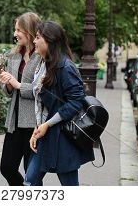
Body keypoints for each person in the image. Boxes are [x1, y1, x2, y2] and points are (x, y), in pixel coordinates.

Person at [24, 21, 94, 186]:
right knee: (30, 181)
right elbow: (43, 103)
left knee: (68, 184)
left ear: (50, 40)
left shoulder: (65, 67)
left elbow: (76, 101)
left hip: (63, 138)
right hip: (47, 134)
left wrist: (47, 124)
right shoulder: (44, 65)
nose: (34, 41)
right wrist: (39, 127)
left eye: (38, 37)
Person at [0, 12, 41, 186]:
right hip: (14, 122)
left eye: (18, 30)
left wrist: (17, 85)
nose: (15, 34)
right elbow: (9, 91)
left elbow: (43, 90)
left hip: (34, 123)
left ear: (29, 31)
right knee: (6, 168)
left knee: (32, 174)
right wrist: (7, 84)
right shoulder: (14, 55)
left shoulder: (42, 57)